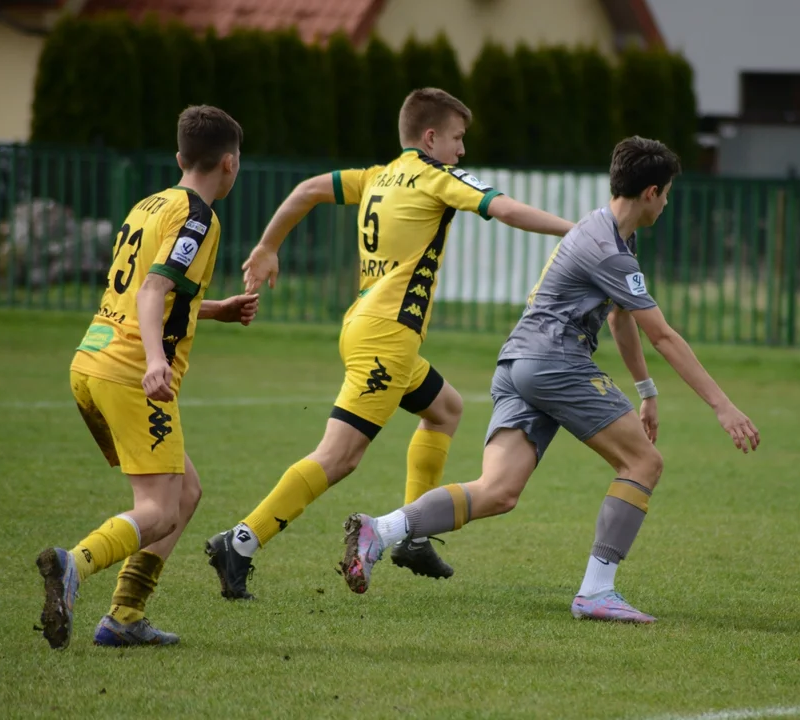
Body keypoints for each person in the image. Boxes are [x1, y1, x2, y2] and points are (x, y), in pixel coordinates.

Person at [339, 136, 761, 623]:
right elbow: (663, 336)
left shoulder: (610, 236)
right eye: (666, 194)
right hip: (557, 362)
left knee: (497, 490)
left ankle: (381, 530)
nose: (666, 203)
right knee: (643, 462)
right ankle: (596, 592)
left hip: (517, 363)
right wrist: (722, 406)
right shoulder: (610, 251)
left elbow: (623, 318)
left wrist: (646, 391)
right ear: (651, 192)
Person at [204, 88, 574, 600]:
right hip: (387, 340)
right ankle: (240, 542)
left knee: (445, 409)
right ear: (430, 137)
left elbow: (308, 189)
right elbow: (505, 210)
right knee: (339, 457)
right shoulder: (435, 176)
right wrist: (575, 233)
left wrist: (268, 245)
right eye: (457, 138)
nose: (461, 151)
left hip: (365, 327)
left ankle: (413, 535)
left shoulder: (378, 176)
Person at [36, 105, 257, 650]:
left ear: (180, 157)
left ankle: (125, 616)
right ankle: (74, 565)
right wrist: (157, 361)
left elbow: (143, 290)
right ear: (230, 164)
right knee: (159, 509)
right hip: (133, 371)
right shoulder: (198, 217)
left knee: (186, 491)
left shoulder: (147, 205)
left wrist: (213, 308)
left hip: (91, 362)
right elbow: (153, 293)